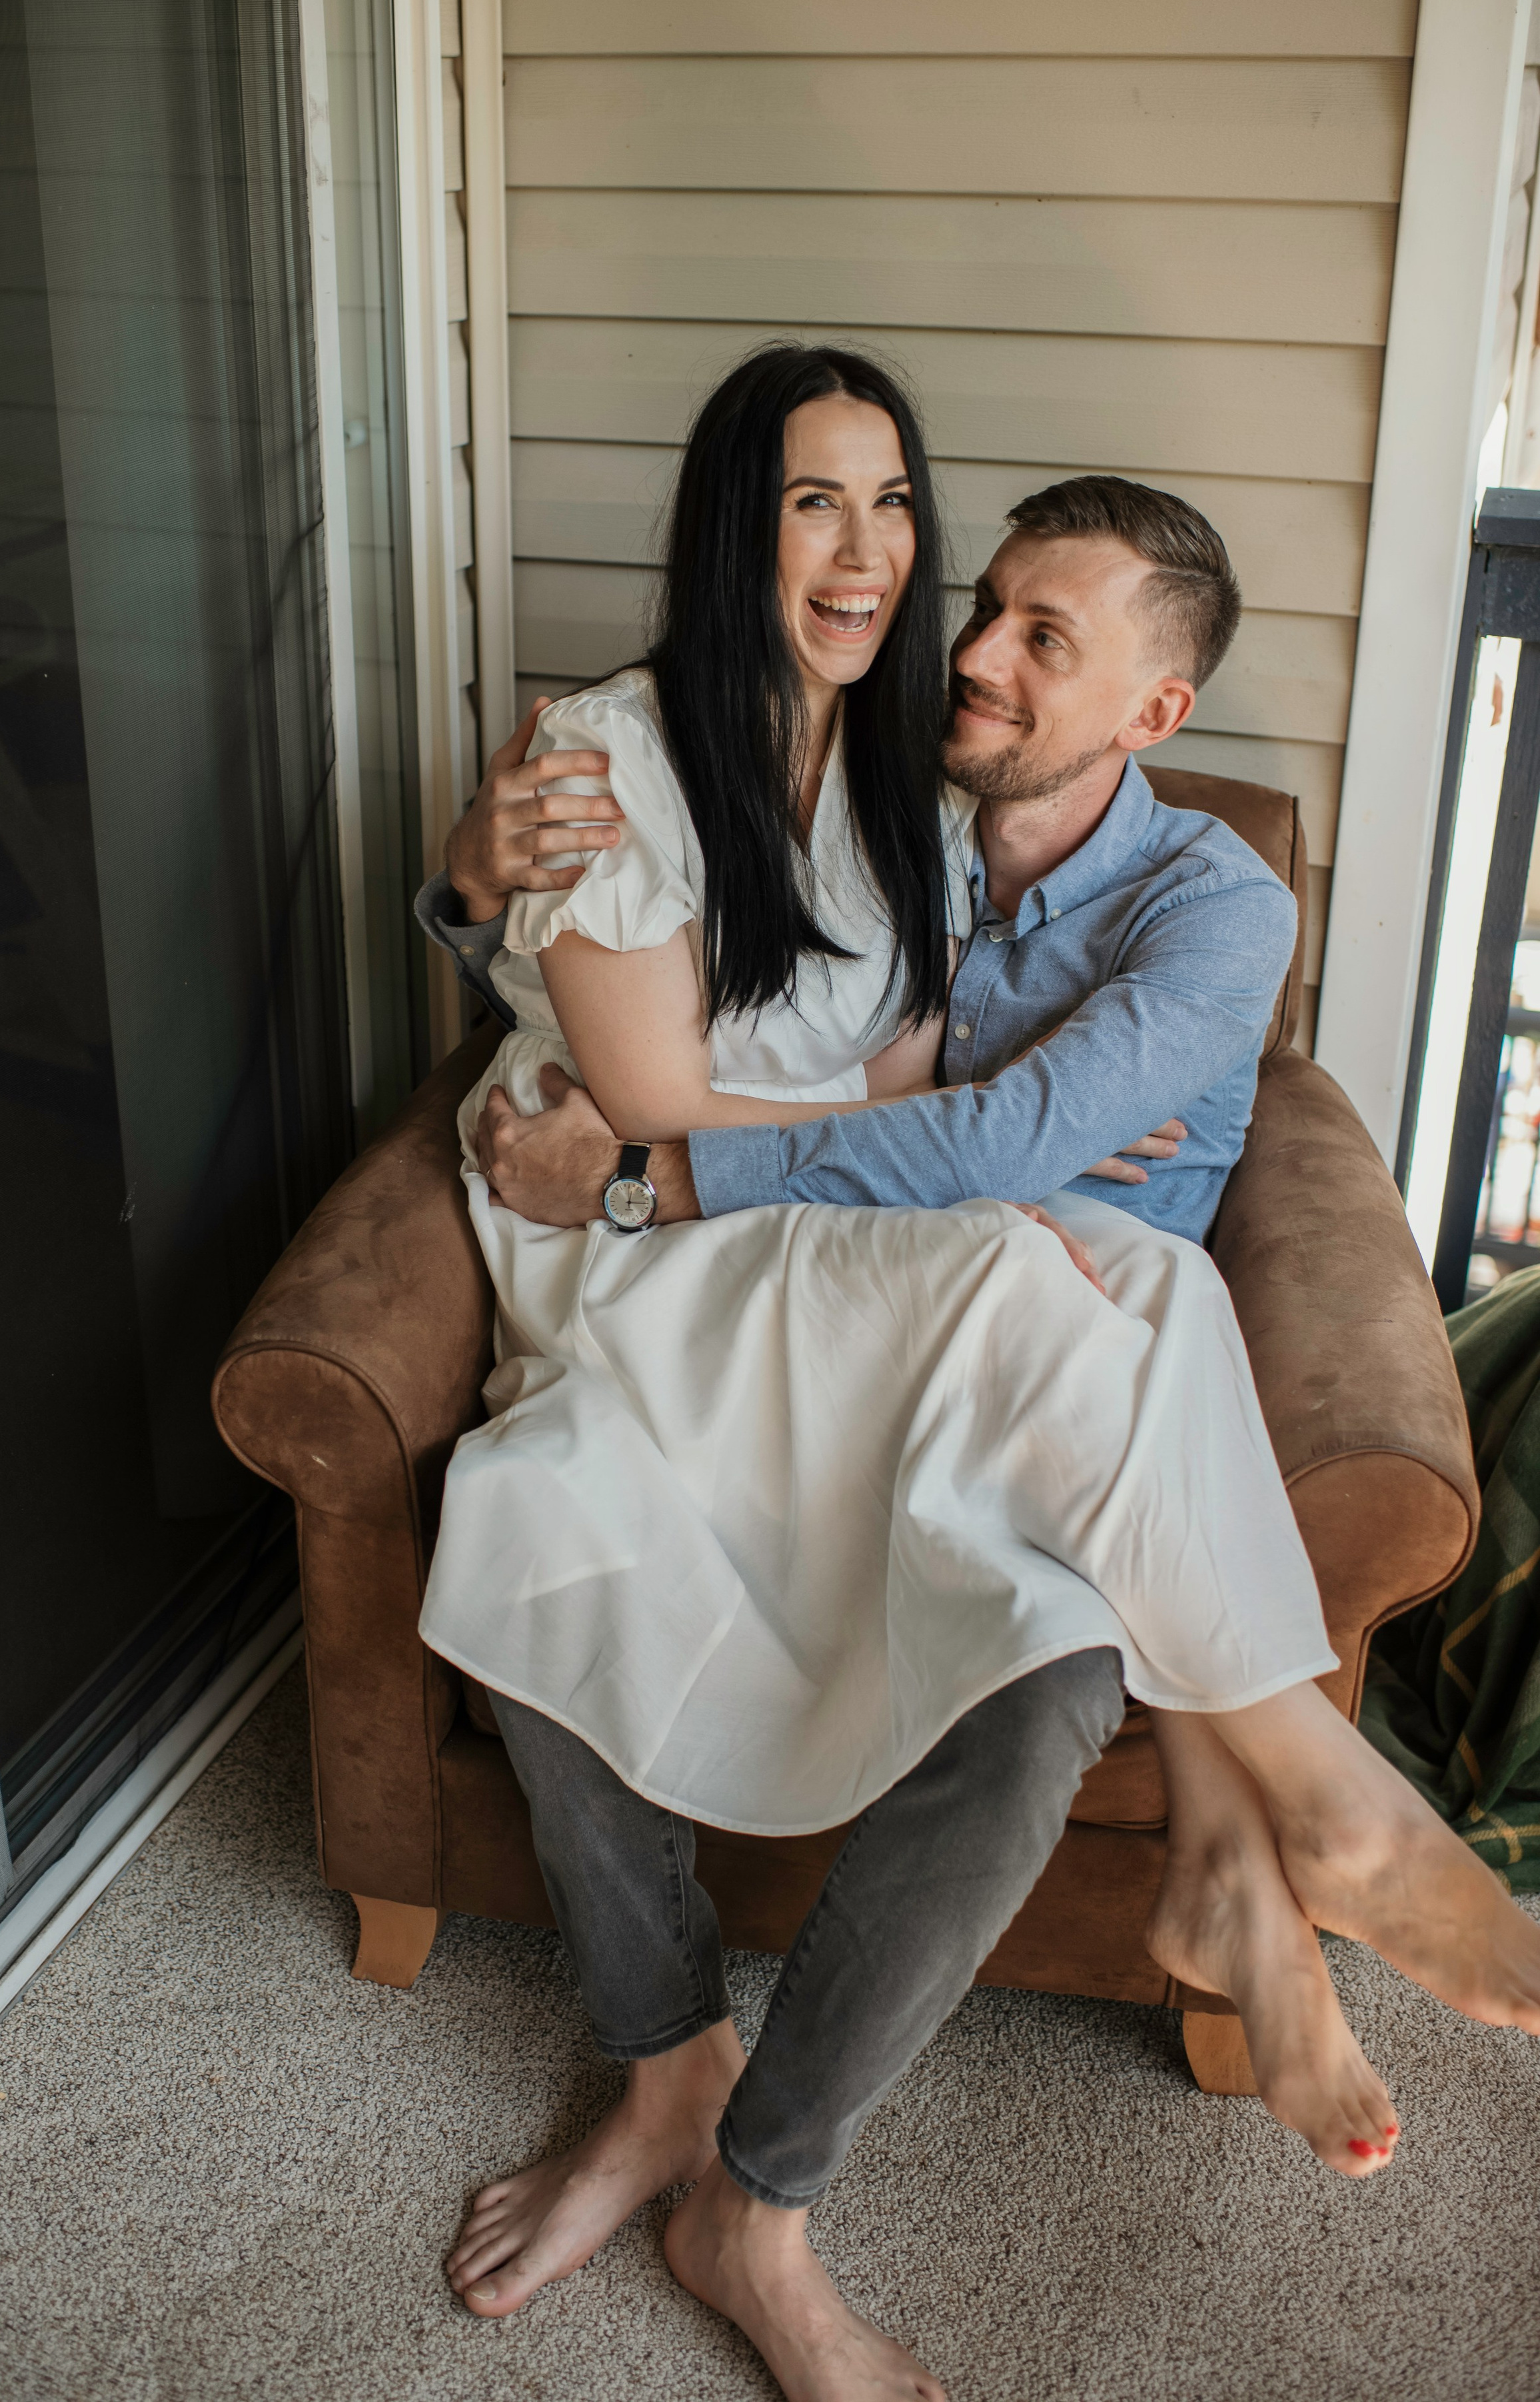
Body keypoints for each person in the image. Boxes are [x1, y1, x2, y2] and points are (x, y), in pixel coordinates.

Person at [414, 349, 1540, 2402]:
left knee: (1116, 1296)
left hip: (839, 1284)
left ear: (1152, 709)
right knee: (1055, 1275)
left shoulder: (1007, 833)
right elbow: (694, 1086)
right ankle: (1312, 1803)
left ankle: (773, 2189)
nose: (888, 569)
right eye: (814, 501)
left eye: (892, 505)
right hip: (671, 1267)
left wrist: (981, 1136)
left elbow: (940, 1093)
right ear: (735, 525)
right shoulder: (660, 758)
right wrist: (474, 886)